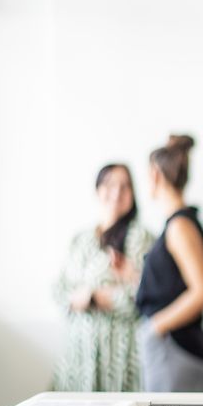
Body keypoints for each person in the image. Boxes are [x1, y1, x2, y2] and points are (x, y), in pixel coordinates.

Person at [52, 164, 155, 391]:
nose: (117, 192)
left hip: (121, 355)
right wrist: (77, 298)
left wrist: (95, 298)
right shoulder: (80, 239)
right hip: (79, 353)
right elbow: (59, 290)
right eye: (110, 184)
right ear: (98, 189)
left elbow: (145, 296)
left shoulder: (141, 238)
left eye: (125, 186)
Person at [136, 134, 203, 392]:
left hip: (175, 347)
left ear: (155, 175)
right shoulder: (178, 224)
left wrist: (156, 327)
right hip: (172, 346)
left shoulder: (180, 227)